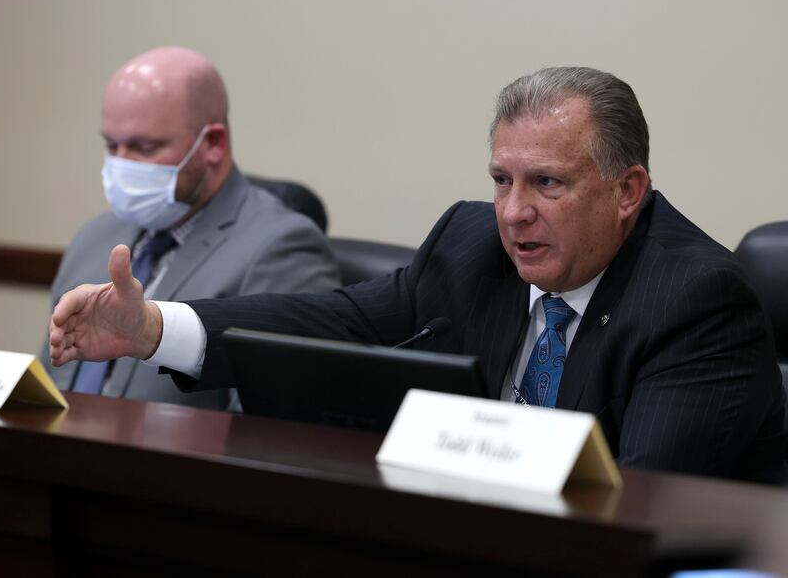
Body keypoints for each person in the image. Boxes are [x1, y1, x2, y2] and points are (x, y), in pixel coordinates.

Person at [49, 67, 785, 481]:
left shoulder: (694, 301)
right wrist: (152, 328)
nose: (514, 213)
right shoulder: (472, 245)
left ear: (627, 192)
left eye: (548, 184)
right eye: (502, 179)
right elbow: (337, 318)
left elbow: (638, 505)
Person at [42, 46, 340, 410]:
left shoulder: (282, 248)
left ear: (212, 144)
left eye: (143, 147)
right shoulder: (94, 236)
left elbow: (265, 431)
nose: (121, 166)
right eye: (111, 145)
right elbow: (46, 383)